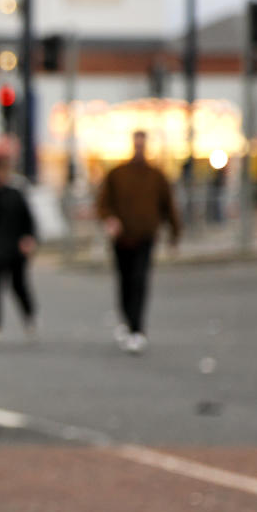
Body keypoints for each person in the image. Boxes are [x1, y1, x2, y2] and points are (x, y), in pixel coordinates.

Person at [96, 130, 181, 355]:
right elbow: (103, 204)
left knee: (140, 280)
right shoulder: (117, 174)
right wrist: (110, 220)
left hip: (145, 237)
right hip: (122, 238)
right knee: (125, 281)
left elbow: (169, 206)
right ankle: (128, 320)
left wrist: (175, 234)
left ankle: (137, 328)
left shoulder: (156, 176)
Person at [0, 155, 37, 350]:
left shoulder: (15, 194)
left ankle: (29, 314)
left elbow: (28, 219)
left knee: (18, 285)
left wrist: (28, 237)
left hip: (15, 248)